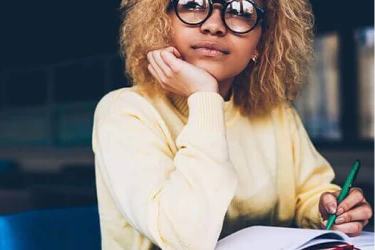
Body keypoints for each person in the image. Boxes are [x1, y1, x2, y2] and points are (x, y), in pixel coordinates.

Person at [92, 0, 373, 249]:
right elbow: (184, 239)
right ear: (161, 22)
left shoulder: (276, 112)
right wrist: (204, 96)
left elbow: (308, 193)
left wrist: (328, 209)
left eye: (242, 10)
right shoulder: (124, 112)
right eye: (192, 4)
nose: (214, 25)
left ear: (261, 41)